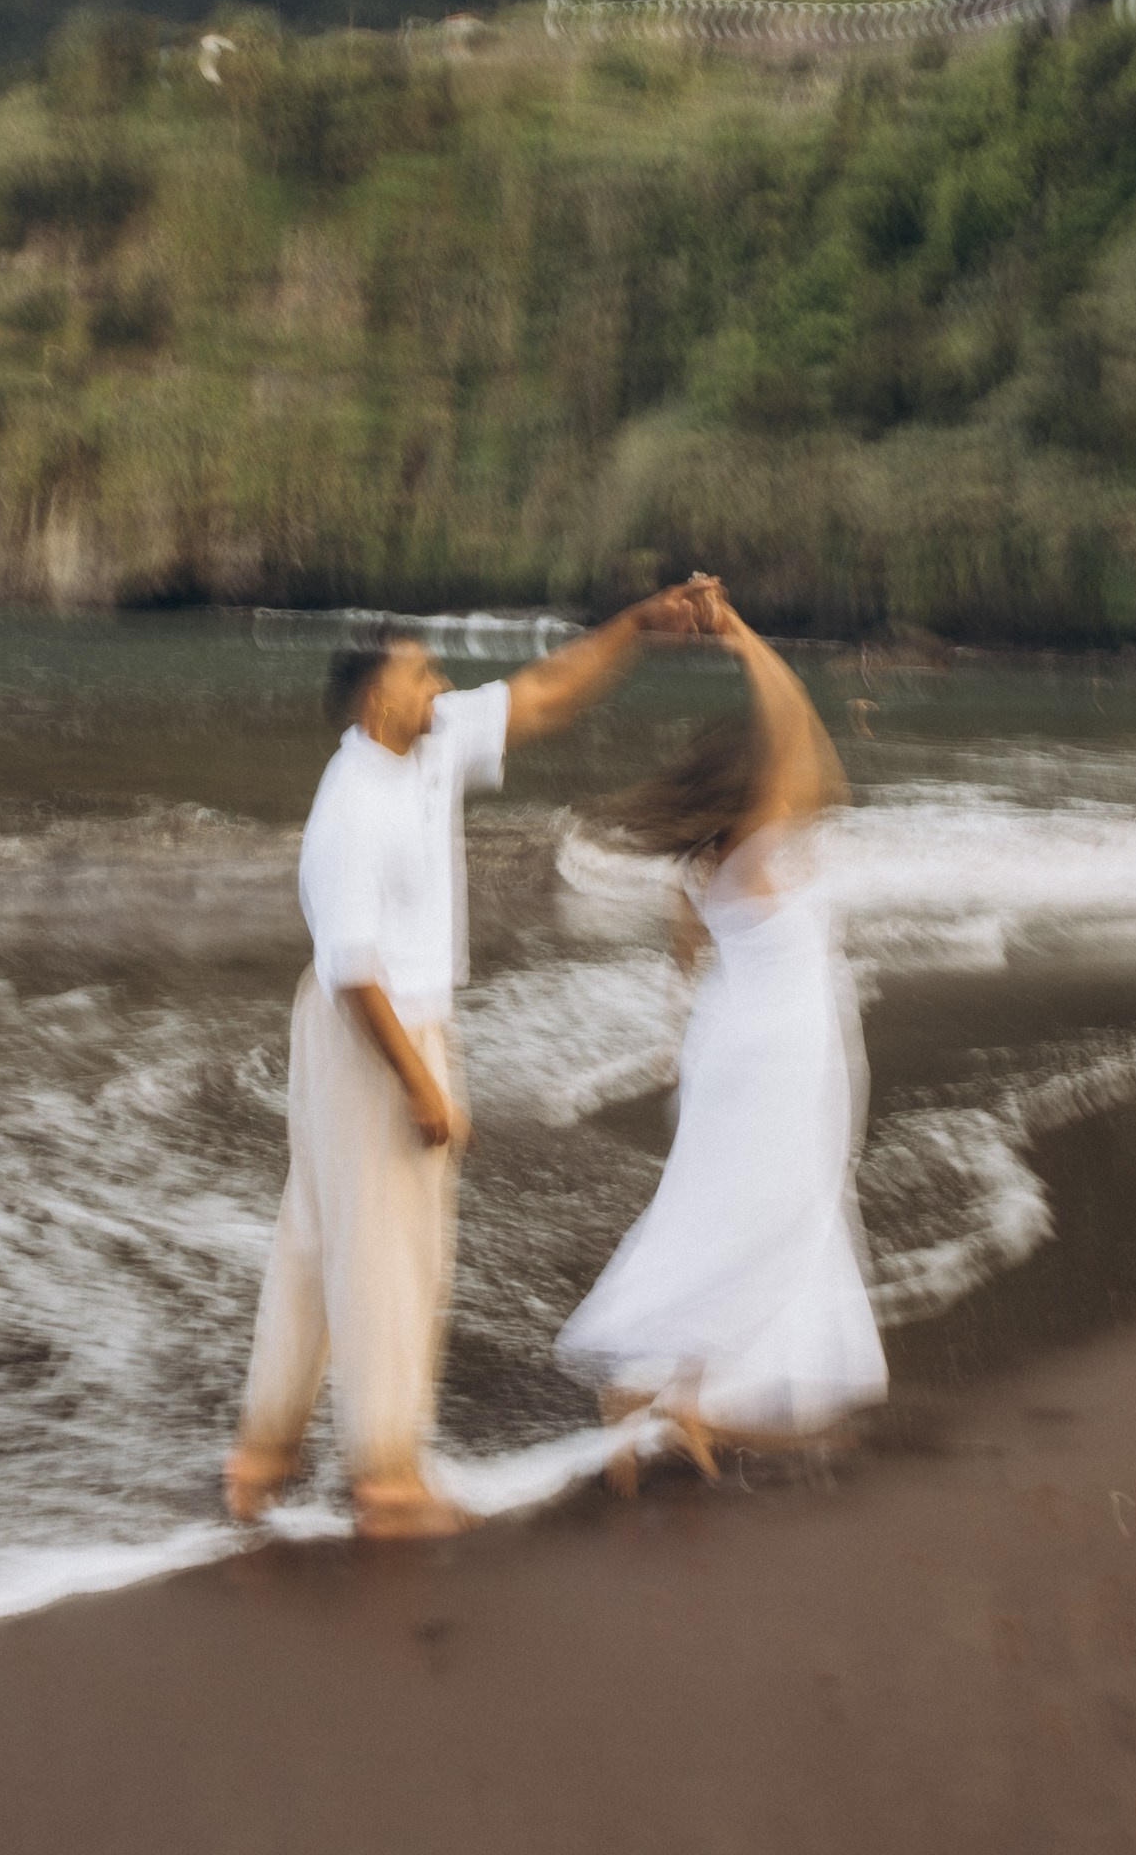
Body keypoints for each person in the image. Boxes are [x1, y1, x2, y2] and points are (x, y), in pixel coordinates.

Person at [225, 592, 708, 1539]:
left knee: (319, 1241)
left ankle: (263, 1455)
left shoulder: (429, 739)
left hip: (367, 1022)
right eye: (418, 675)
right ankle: (387, 1482)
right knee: (392, 1256)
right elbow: (356, 972)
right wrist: (423, 1085)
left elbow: (544, 695)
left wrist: (639, 625)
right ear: (375, 705)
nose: (439, 685)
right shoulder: (350, 807)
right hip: (375, 1033)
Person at [556, 594, 886, 1475]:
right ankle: (662, 1394)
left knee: (732, 1217)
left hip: (736, 1049)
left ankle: (681, 1396)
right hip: (779, 1055)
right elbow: (801, 726)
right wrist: (741, 638)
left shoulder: (707, 868)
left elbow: (688, 971)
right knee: (766, 1220)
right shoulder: (765, 847)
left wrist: (680, 1051)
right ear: (757, 786)